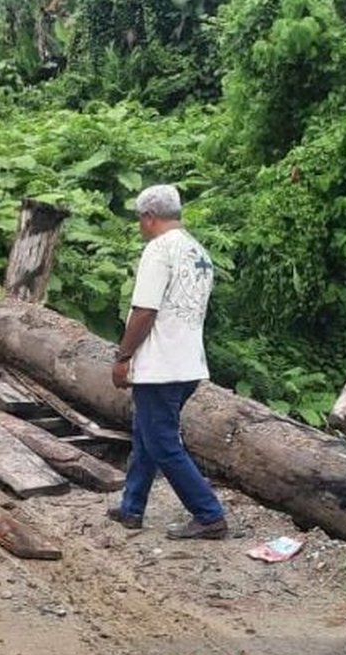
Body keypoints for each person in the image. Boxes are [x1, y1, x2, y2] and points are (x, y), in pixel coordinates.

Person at [107, 184, 226, 539]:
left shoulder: (159, 250)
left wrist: (123, 357)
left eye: (139, 219)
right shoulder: (197, 251)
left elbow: (145, 311)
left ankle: (209, 514)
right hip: (189, 363)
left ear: (149, 217)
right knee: (146, 435)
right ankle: (132, 507)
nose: (140, 226)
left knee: (161, 443)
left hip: (161, 365)